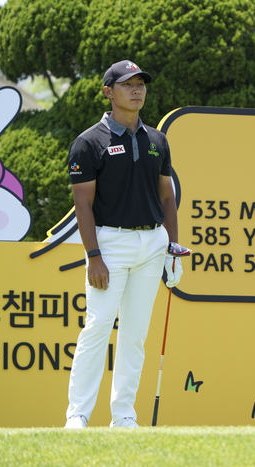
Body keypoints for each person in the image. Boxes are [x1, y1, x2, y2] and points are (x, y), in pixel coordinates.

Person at [64, 60, 183, 428]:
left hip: (152, 244)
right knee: (98, 326)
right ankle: (78, 415)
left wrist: (173, 248)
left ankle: (124, 417)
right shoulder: (89, 142)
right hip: (109, 243)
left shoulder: (157, 141)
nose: (137, 90)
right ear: (108, 91)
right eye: (128, 84)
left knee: (134, 334)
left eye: (141, 84)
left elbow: (167, 198)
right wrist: (94, 256)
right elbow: (82, 204)